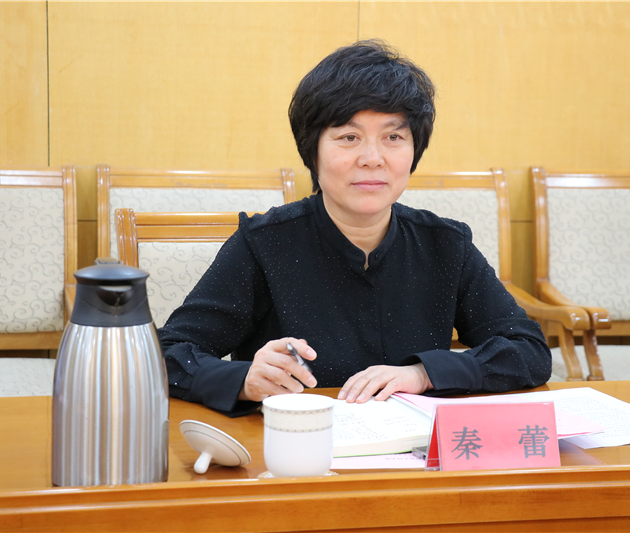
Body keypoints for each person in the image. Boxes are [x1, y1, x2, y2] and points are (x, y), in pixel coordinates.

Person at [158, 40, 552, 417]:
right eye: (349, 137)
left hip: (413, 454)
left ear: (414, 150)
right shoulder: (264, 243)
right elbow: (168, 353)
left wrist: (424, 374)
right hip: (298, 449)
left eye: (393, 137)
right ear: (312, 150)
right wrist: (244, 379)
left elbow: (529, 350)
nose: (372, 158)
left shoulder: (446, 244)